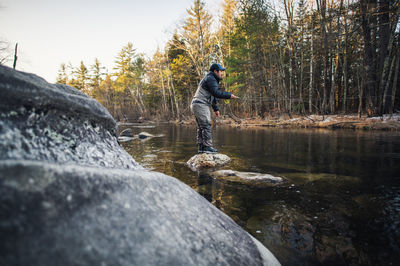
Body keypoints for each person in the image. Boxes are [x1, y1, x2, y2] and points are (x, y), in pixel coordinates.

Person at [190, 63, 238, 154]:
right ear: (215, 71)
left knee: (201, 127)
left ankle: (201, 147)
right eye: (221, 71)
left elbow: (213, 95)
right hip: (201, 104)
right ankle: (207, 147)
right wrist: (228, 95)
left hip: (196, 104)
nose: (222, 73)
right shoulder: (211, 78)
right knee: (206, 125)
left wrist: (216, 109)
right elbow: (216, 93)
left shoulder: (210, 78)